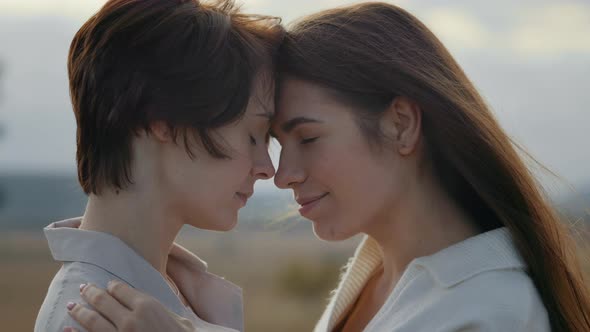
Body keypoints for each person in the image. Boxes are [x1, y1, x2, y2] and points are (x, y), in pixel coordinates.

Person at [65, 2, 590, 332]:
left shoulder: (492, 309)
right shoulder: (379, 273)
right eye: (270, 138)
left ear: (402, 124)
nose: (282, 172)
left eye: (308, 137)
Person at [34, 0, 283, 331]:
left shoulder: (170, 292)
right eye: (253, 136)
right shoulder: (89, 317)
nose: (268, 168)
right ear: (163, 120)